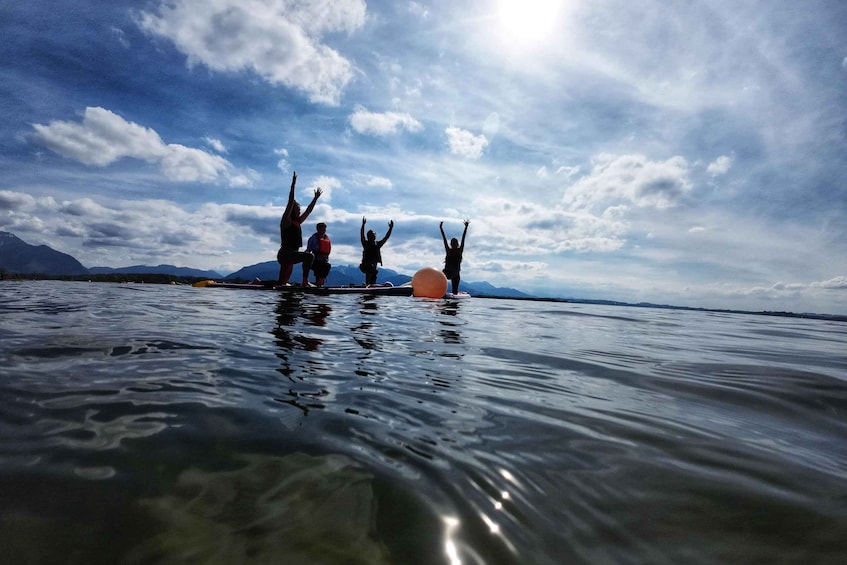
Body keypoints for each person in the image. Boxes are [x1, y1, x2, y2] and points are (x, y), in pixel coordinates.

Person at [277, 171, 322, 285]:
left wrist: (315, 198)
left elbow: (308, 211)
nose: (300, 210)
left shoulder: (298, 221)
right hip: (286, 254)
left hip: (293, 253)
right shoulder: (286, 221)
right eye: (298, 209)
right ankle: (305, 281)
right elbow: (290, 202)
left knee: (282, 282)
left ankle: (258, 282)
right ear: (293, 210)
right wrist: (293, 185)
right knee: (309, 257)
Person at [359, 216, 394, 286]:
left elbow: (386, 237)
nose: (372, 237)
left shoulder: (377, 244)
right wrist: (363, 225)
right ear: (369, 237)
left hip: (373, 268)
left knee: (373, 273)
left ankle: (371, 285)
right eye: (371, 235)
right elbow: (362, 235)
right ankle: (367, 284)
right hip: (365, 266)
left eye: (373, 235)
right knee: (370, 269)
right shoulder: (365, 244)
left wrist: (390, 228)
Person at [440, 219, 469, 295]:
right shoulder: (450, 251)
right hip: (450, 273)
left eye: (454, 242)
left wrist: (466, 227)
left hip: (453, 273)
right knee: (454, 291)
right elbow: (444, 239)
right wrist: (441, 228)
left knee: (455, 290)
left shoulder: (456, 251)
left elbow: (463, 238)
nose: (453, 244)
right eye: (453, 242)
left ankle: (453, 293)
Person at [306, 222, 332, 287]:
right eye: (322, 229)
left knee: (326, 266)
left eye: (325, 229)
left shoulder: (326, 238)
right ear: (318, 229)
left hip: (323, 260)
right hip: (314, 260)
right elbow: (308, 250)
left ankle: (319, 284)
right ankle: (318, 285)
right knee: (324, 266)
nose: (324, 231)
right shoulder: (313, 238)